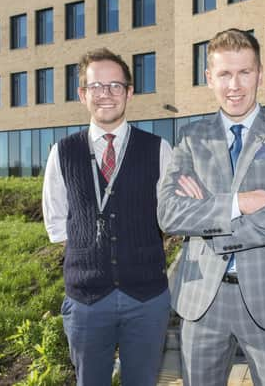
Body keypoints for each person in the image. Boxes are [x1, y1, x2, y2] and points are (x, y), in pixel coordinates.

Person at [158, 28, 265, 386]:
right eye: (225, 74)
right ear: (209, 78)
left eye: (245, 72)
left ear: (260, 73)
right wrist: (239, 203)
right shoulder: (190, 138)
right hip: (202, 303)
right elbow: (167, 212)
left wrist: (208, 221)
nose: (235, 85)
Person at [42, 47, 172, 386]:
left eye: (115, 86)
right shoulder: (63, 152)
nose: (106, 94)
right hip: (86, 300)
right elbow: (57, 221)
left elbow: (171, 217)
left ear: (129, 92)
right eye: (96, 86)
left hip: (147, 298)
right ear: (83, 94)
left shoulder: (158, 149)